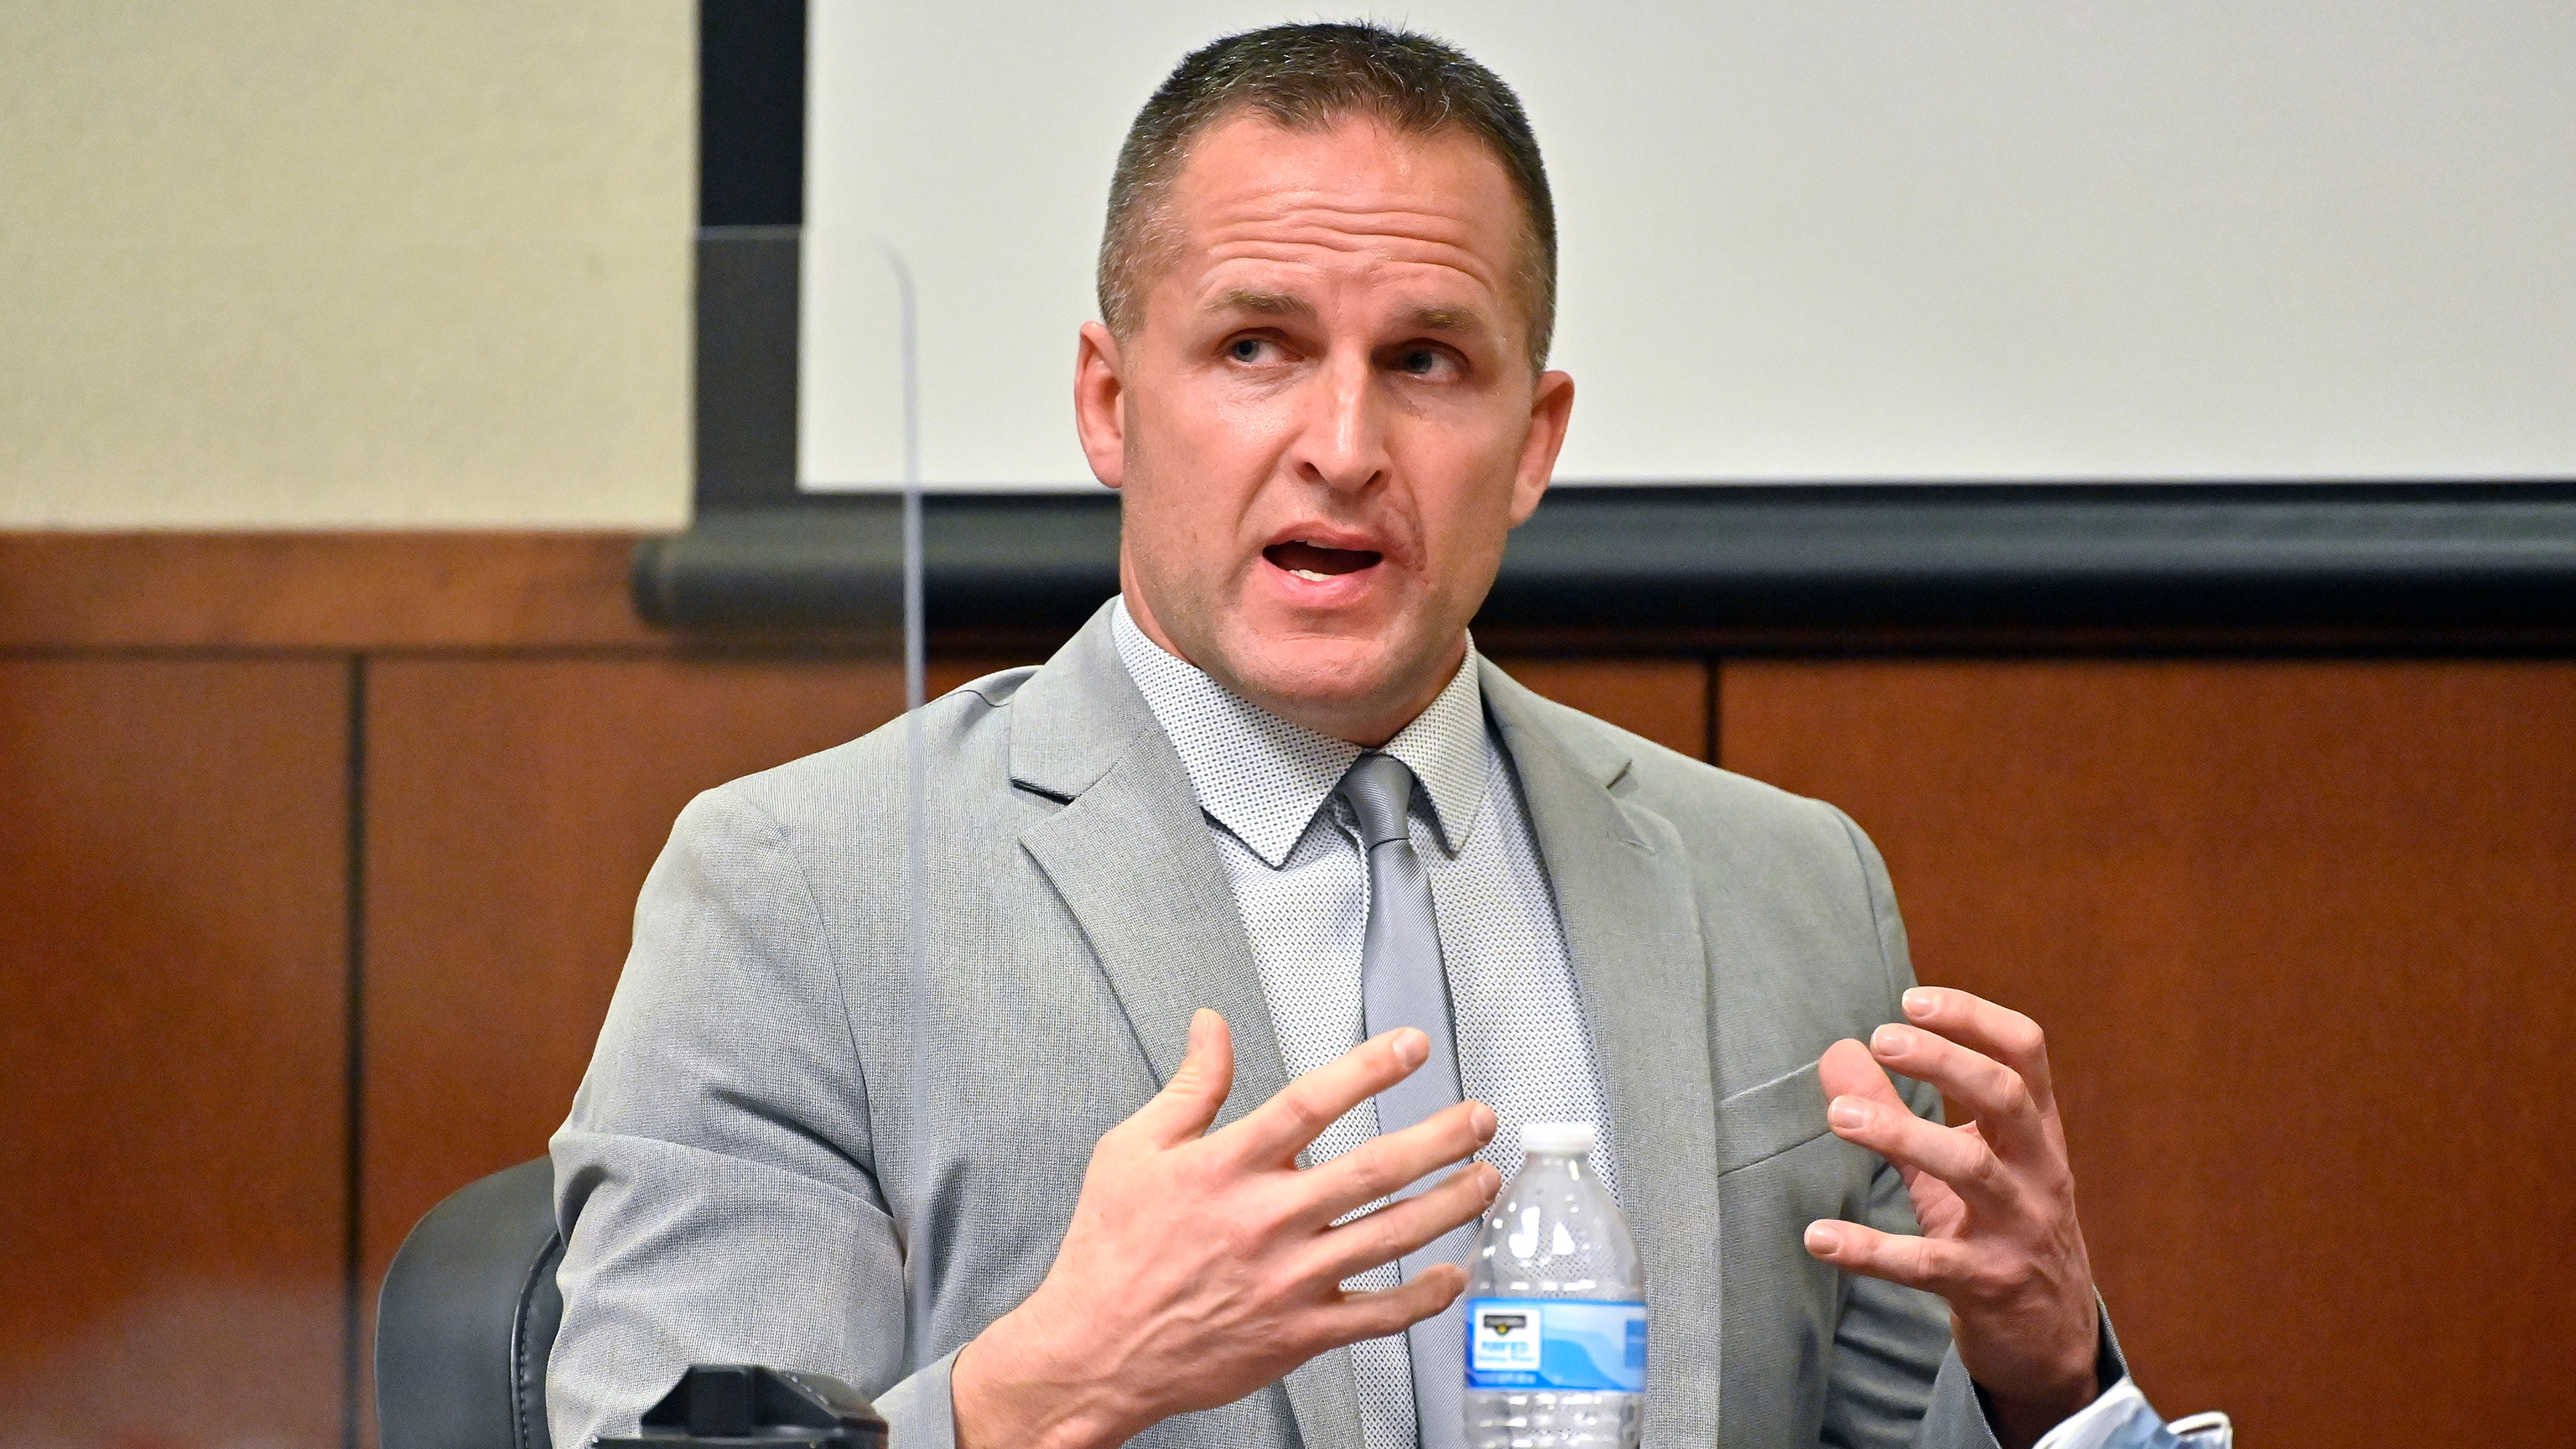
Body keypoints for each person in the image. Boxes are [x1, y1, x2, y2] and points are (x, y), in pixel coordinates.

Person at [549, 23, 2144, 1449]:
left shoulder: (1787, 887)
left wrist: (2050, 1380)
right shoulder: (803, 891)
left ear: (1534, 440)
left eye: (1426, 364)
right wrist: (1038, 1395)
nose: (1343, 447)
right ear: (1108, 404)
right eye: (1256, 347)